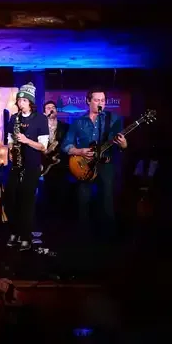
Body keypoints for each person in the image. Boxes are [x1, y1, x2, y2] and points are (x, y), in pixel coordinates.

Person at [62, 87, 127, 240]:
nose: (100, 103)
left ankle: (107, 237)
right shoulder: (78, 122)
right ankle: (84, 237)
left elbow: (121, 145)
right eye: (97, 100)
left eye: (103, 100)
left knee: (106, 201)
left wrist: (124, 144)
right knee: (82, 200)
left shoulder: (114, 119)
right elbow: (66, 145)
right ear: (88, 101)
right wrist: (80, 151)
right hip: (85, 165)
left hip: (105, 165)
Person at [4, 82, 49, 250]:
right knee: (10, 198)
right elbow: (9, 139)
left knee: (27, 201)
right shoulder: (14, 118)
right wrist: (11, 149)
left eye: (23, 100)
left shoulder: (40, 119)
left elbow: (43, 146)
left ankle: (25, 235)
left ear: (30, 102)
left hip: (31, 165)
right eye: (19, 100)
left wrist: (26, 140)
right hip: (16, 165)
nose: (20, 103)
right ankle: (14, 231)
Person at [40, 101, 70, 219]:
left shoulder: (65, 127)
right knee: (47, 193)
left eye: (53, 107)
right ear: (44, 112)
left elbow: (69, 144)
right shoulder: (40, 127)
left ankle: (61, 218)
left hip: (61, 164)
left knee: (61, 192)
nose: (51, 109)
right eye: (48, 108)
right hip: (45, 165)